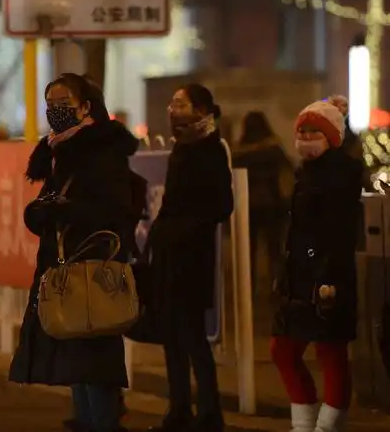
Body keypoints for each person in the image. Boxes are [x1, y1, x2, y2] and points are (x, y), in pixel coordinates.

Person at [9, 73, 139, 432]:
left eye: (64, 103)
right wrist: (41, 213)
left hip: (94, 269)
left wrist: (65, 211)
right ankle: (88, 421)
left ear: (85, 107)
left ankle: (103, 423)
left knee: (93, 359)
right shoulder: (59, 151)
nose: (56, 110)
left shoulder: (100, 151)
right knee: (76, 358)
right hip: (65, 267)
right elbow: (52, 203)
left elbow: (114, 209)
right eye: (50, 104)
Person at [270, 101, 362, 432]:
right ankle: (305, 425)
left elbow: (338, 234)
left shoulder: (340, 175)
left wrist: (325, 276)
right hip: (301, 275)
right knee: (284, 350)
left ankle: (325, 427)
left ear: (332, 137)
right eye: (303, 130)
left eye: (315, 131)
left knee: (330, 352)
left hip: (326, 277)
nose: (307, 137)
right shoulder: (306, 172)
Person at [146, 84, 233, 432]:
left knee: (193, 337)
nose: (173, 110)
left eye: (180, 104)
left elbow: (222, 206)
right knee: (171, 336)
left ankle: (210, 413)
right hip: (169, 256)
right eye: (172, 104)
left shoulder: (211, 150)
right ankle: (179, 409)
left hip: (192, 258)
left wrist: (183, 228)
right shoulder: (181, 147)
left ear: (201, 110)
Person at [233, 111, 293, 295]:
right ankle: (277, 288)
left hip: (247, 206)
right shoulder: (273, 149)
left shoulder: (240, 152)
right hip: (273, 204)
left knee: (247, 251)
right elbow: (288, 169)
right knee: (275, 250)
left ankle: (247, 289)